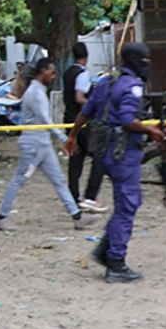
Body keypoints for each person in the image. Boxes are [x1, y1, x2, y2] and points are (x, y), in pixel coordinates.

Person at [66, 42, 166, 283]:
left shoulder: (106, 83)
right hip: (124, 154)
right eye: (146, 60)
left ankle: (104, 250)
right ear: (137, 62)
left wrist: (72, 136)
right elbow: (126, 119)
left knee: (129, 201)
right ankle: (116, 263)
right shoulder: (133, 86)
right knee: (127, 205)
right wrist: (152, 132)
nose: (148, 65)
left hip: (103, 154)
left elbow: (86, 111)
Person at [0, 57, 99, 232]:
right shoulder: (35, 93)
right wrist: (65, 138)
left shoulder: (39, 91)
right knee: (19, 179)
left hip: (42, 144)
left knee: (58, 180)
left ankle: (77, 217)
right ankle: (2, 217)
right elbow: (46, 120)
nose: (53, 76)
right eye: (51, 72)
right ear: (42, 71)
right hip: (33, 145)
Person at [63, 42, 108, 213]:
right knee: (98, 156)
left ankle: (73, 198)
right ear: (86, 56)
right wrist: (94, 106)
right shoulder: (82, 74)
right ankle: (90, 196)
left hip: (68, 119)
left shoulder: (68, 73)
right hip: (80, 122)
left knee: (76, 160)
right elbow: (79, 97)